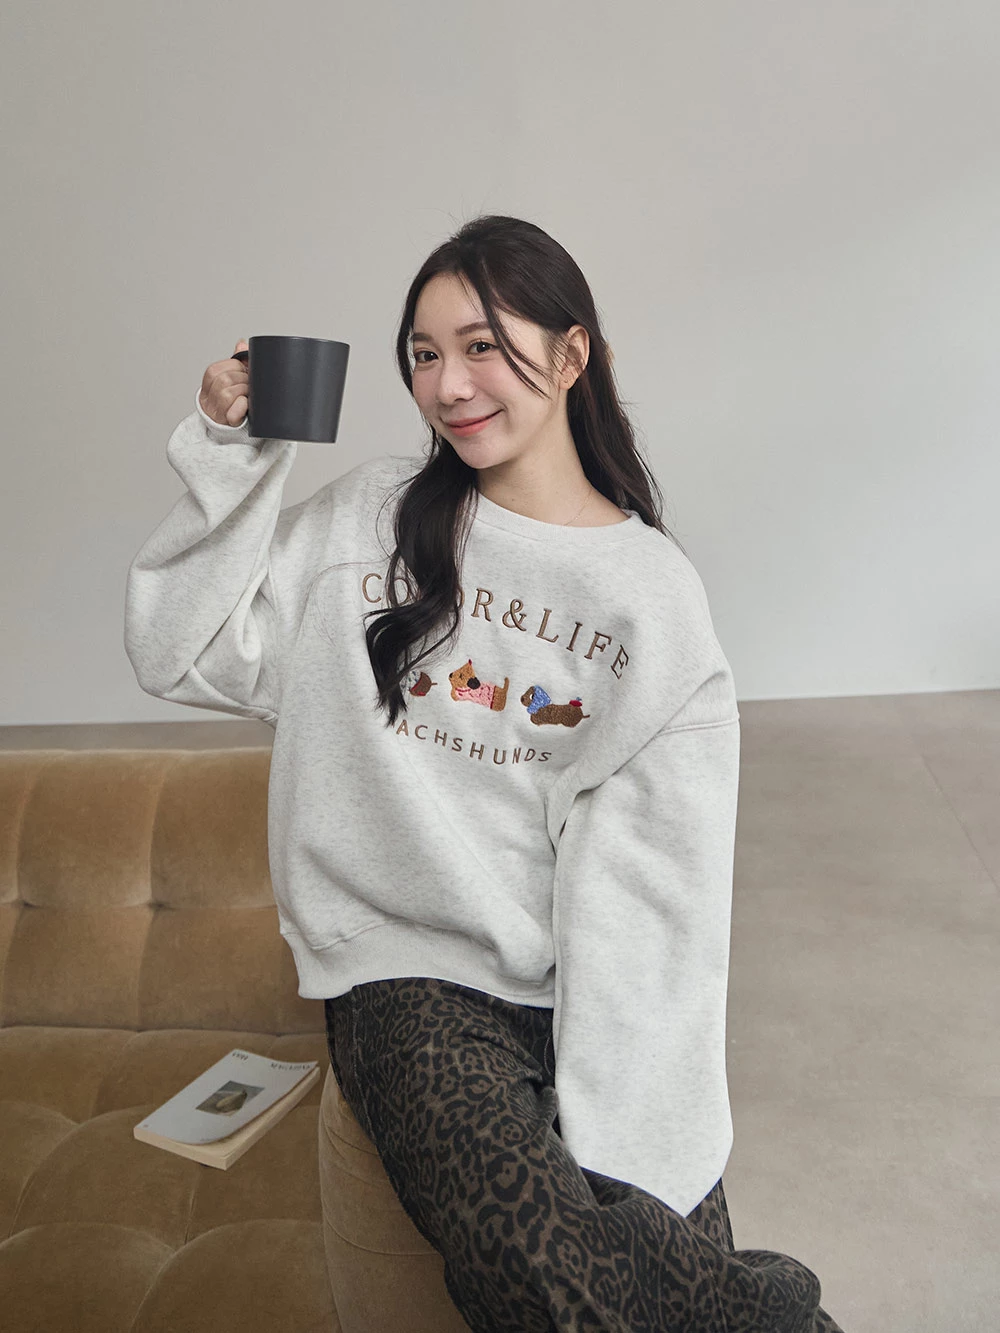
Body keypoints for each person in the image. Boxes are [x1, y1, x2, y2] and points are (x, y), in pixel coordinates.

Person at [124, 214, 844, 1333]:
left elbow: (657, 879)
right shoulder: (370, 520)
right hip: (405, 974)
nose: (448, 385)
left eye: (482, 346)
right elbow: (183, 650)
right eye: (423, 353)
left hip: (570, 972)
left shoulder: (648, 596)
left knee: (647, 1217)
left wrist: (633, 1128)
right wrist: (232, 453)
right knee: (541, 1270)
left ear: (571, 353)